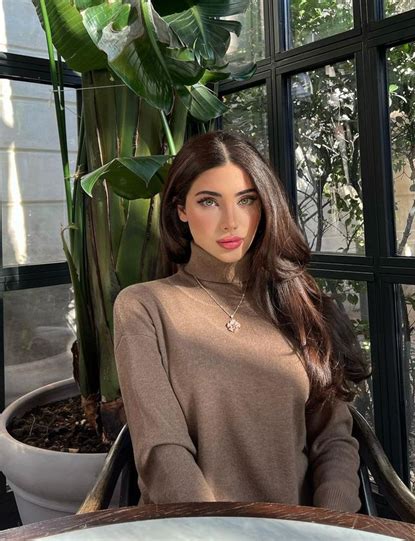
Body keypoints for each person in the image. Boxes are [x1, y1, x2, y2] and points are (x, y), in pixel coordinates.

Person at [113, 131, 370, 512]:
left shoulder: (298, 302)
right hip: (195, 531)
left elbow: (332, 439)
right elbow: (162, 451)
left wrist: (331, 526)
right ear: (180, 209)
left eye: (246, 200)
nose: (231, 222)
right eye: (208, 202)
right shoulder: (144, 306)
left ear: (265, 205)